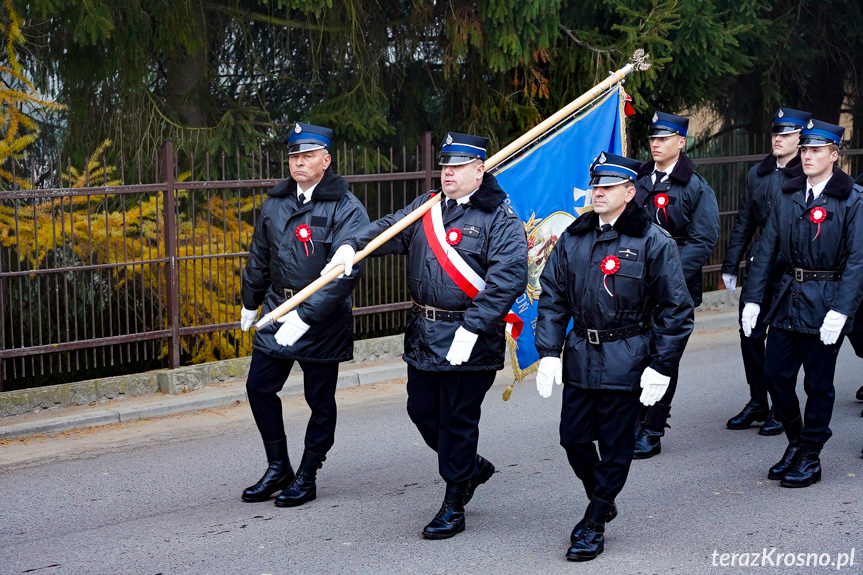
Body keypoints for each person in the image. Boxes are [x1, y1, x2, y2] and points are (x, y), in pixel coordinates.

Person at [324, 132, 528, 539]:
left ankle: (454, 504)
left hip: (470, 336)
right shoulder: (428, 207)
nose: (447, 172)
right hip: (424, 333)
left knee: (457, 420)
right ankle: (470, 466)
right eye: (444, 165)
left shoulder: (501, 219)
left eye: (457, 165)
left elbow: (509, 279)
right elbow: (388, 229)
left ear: (479, 169)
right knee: (422, 412)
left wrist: (472, 328)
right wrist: (352, 245)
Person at [535, 152, 694, 561]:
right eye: (595, 185)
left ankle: (594, 520)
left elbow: (676, 309)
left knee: (616, 444)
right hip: (582, 355)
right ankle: (602, 497)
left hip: (628, 357)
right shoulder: (574, 236)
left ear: (629, 191)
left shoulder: (652, 241)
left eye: (607, 186)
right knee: (572, 438)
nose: (598, 192)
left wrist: (661, 365)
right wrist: (549, 351)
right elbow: (552, 298)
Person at [238, 122, 369, 506]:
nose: (299, 162)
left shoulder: (347, 207)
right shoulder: (277, 201)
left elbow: (344, 276)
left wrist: (307, 316)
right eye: (294, 155)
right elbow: (260, 254)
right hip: (278, 306)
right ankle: (278, 467)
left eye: (308, 155)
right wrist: (250, 300)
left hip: (323, 319)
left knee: (319, 400)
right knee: (259, 387)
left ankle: (308, 474)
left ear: (326, 160)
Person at [741, 119, 863, 487]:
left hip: (827, 300)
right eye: (805, 149)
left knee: (819, 384)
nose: (808, 156)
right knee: (775, 373)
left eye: (816, 150)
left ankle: (811, 454)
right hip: (788, 297)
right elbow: (766, 250)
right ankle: (796, 441)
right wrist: (752, 299)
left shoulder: (852, 198)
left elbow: (858, 260)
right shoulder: (788, 194)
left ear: (834, 155)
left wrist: (842, 310)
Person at [631, 111, 720, 458]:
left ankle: (653, 428)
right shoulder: (637, 181)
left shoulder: (695, 186)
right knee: (635, 354)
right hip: (633, 285)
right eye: (653, 138)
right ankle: (634, 420)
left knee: (663, 355)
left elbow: (703, 239)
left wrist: (666, 276)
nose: (655, 144)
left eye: (664, 138)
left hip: (674, 287)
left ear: (681, 143)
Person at [720, 108, 812, 435]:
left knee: (781, 338)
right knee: (750, 333)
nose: (777, 138)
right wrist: (731, 264)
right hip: (761, 263)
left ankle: (779, 406)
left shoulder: (809, 175)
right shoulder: (758, 173)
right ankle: (757, 401)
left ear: (801, 139)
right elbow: (744, 221)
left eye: (785, 134)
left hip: (792, 266)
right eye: (775, 132)